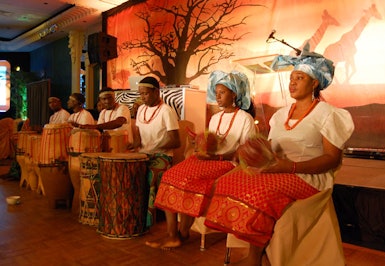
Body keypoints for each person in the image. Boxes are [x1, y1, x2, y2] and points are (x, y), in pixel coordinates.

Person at [204, 53, 355, 266]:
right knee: (227, 182)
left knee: (258, 193)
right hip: (278, 169)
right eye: (291, 77)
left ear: (315, 82)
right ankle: (256, 250)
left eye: (300, 78)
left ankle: (254, 258)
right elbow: (270, 148)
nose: (292, 82)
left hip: (308, 176)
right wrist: (255, 152)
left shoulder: (328, 114)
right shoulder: (280, 115)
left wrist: (290, 166)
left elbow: (331, 159)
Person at [145, 70, 256, 250]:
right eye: (217, 92)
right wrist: (198, 143)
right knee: (169, 176)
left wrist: (219, 156)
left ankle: (182, 232)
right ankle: (173, 234)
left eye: (222, 93)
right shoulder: (215, 118)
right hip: (207, 160)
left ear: (234, 94)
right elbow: (210, 143)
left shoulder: (245, 119)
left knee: (188, 181)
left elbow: (246, 152)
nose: (217, 97)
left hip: (227, 164)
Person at [130, 76, 181, 228]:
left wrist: (155, 147)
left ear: (156, 92)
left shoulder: (167, 111)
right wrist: (132, 146)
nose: (142, 97)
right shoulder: (141, 110)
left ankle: (149, 222)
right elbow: (139, 141)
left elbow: (176, 141)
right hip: (145, 155)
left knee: (151, 177)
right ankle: (135, 217)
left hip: (162, 156)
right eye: (140, 94)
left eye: (145, 93)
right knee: (131, 175)